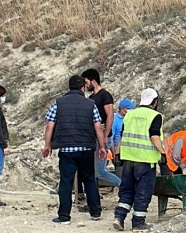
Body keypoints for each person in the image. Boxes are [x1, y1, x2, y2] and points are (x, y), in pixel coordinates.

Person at [41, 75, 107, 224]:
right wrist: (102, 147)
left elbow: (50, 125)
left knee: (66, 182)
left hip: (66, 150)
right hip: (86, 149)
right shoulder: (91, 104)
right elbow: (98, 127)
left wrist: (47, 145)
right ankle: (95, 212)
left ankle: (64, 216)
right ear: (82, 88)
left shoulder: (58, 103)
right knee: (89, 179)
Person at [112, 88, 166, 232]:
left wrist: (117, 154)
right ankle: (138, 223)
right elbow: (154, 136)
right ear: (155, 102)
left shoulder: (130, 114)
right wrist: (163, 153)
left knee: (127, 189)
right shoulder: (155, 116)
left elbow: (122, 137)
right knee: (143, 192)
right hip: (146, 162)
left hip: (128, 159)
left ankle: (119, 217)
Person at [77, 69, 119, 197]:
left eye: (86, 82)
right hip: (93, 138)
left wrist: (105, 136)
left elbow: (110, 116)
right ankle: (93, 196)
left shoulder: (105, 95)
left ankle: (125, 187)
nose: (85, 85)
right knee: (92, 171)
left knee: (100, 172)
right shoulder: (91, 98)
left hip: (103, 138)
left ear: (93, 81)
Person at [111, 98, 136, 181]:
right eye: (129, 109)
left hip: (130, 152)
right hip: (119, 152)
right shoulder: (114, 120)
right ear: (122, 109)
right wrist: (114, 154)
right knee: (120, 178)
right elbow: (111, 137)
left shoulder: (130, 118)